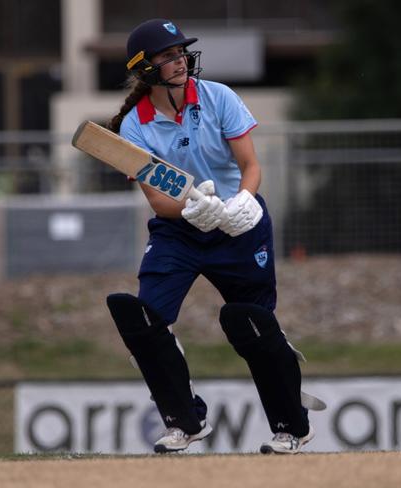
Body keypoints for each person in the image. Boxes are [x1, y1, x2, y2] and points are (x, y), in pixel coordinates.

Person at [105, 18, 316, 454]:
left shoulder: (219, 97)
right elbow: (158, 201)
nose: (179, 61)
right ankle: (184, 419)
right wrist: (190, 208)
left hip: (239, 226)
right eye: (167, 56)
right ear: (145, 68)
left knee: (252, 323)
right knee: (141, 317)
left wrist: (242, 202)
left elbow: (251, 167)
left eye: (180, 52)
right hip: (178, 232)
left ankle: (291, 427)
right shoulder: (134, 127)